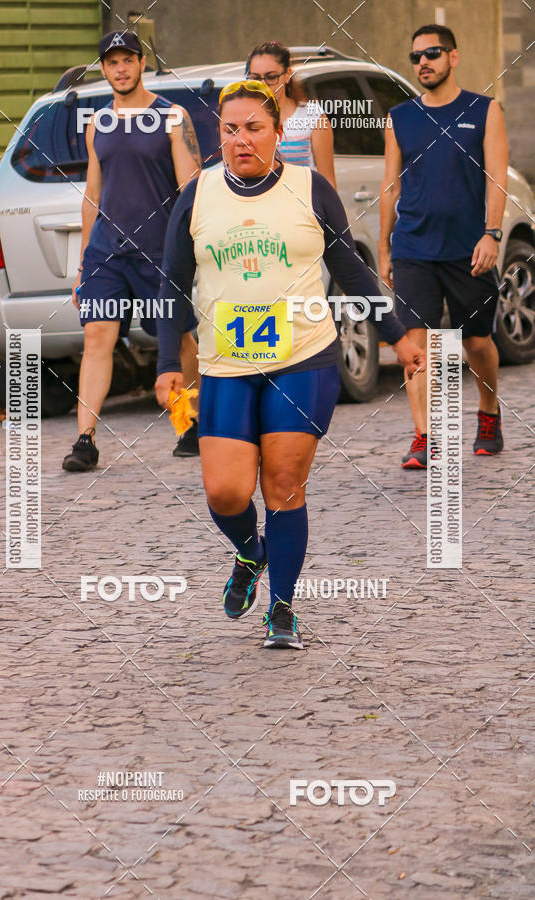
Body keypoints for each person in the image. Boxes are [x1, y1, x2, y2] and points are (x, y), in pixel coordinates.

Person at [154, 81, 425, 649]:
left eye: (254, 127)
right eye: (230, 129)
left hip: (303, 358)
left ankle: (282, 610)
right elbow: (173, 282)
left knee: (282, 484)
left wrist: (395, 334)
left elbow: (350, 270)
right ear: (218, 136)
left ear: (279, 132)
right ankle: (250, 551)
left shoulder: (310, 188)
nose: (241, 139)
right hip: (226, 362)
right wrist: (166, 361)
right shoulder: (197, 194)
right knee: (226, 493)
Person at [63, 30, 202, 472]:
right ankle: (85, 439)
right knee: (97, 335)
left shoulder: (171, 117)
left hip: (159, 250)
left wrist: (190, 250)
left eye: (128, 60)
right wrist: (84, 262)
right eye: (111, 62)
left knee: (178, 337)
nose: (120, 69)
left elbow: (190, 189)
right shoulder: (97, 123)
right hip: (108, 251)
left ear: (143, 64)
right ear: (103, 69)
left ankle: (191, 422)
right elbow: (92, 194)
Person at [379, 24, 508, 469]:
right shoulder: (399, 117)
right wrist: (384, 247)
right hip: (414, 248)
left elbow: (496, 178)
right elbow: (390, 187)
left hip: (468, 249)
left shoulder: (485, 110)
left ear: (453, 57)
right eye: (416, 57)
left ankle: (488, 413)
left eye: (432, 53)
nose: (423, 63)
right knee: (416, 344)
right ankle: (425, 437)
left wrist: (491, 233)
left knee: (477, 342)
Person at [245, 41, 337, 189]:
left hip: (303, 206)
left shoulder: (312, 115)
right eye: (256, 78)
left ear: (287, 75)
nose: (263, 84)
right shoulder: (242, 118)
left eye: (271, 77)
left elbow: (328, 181)